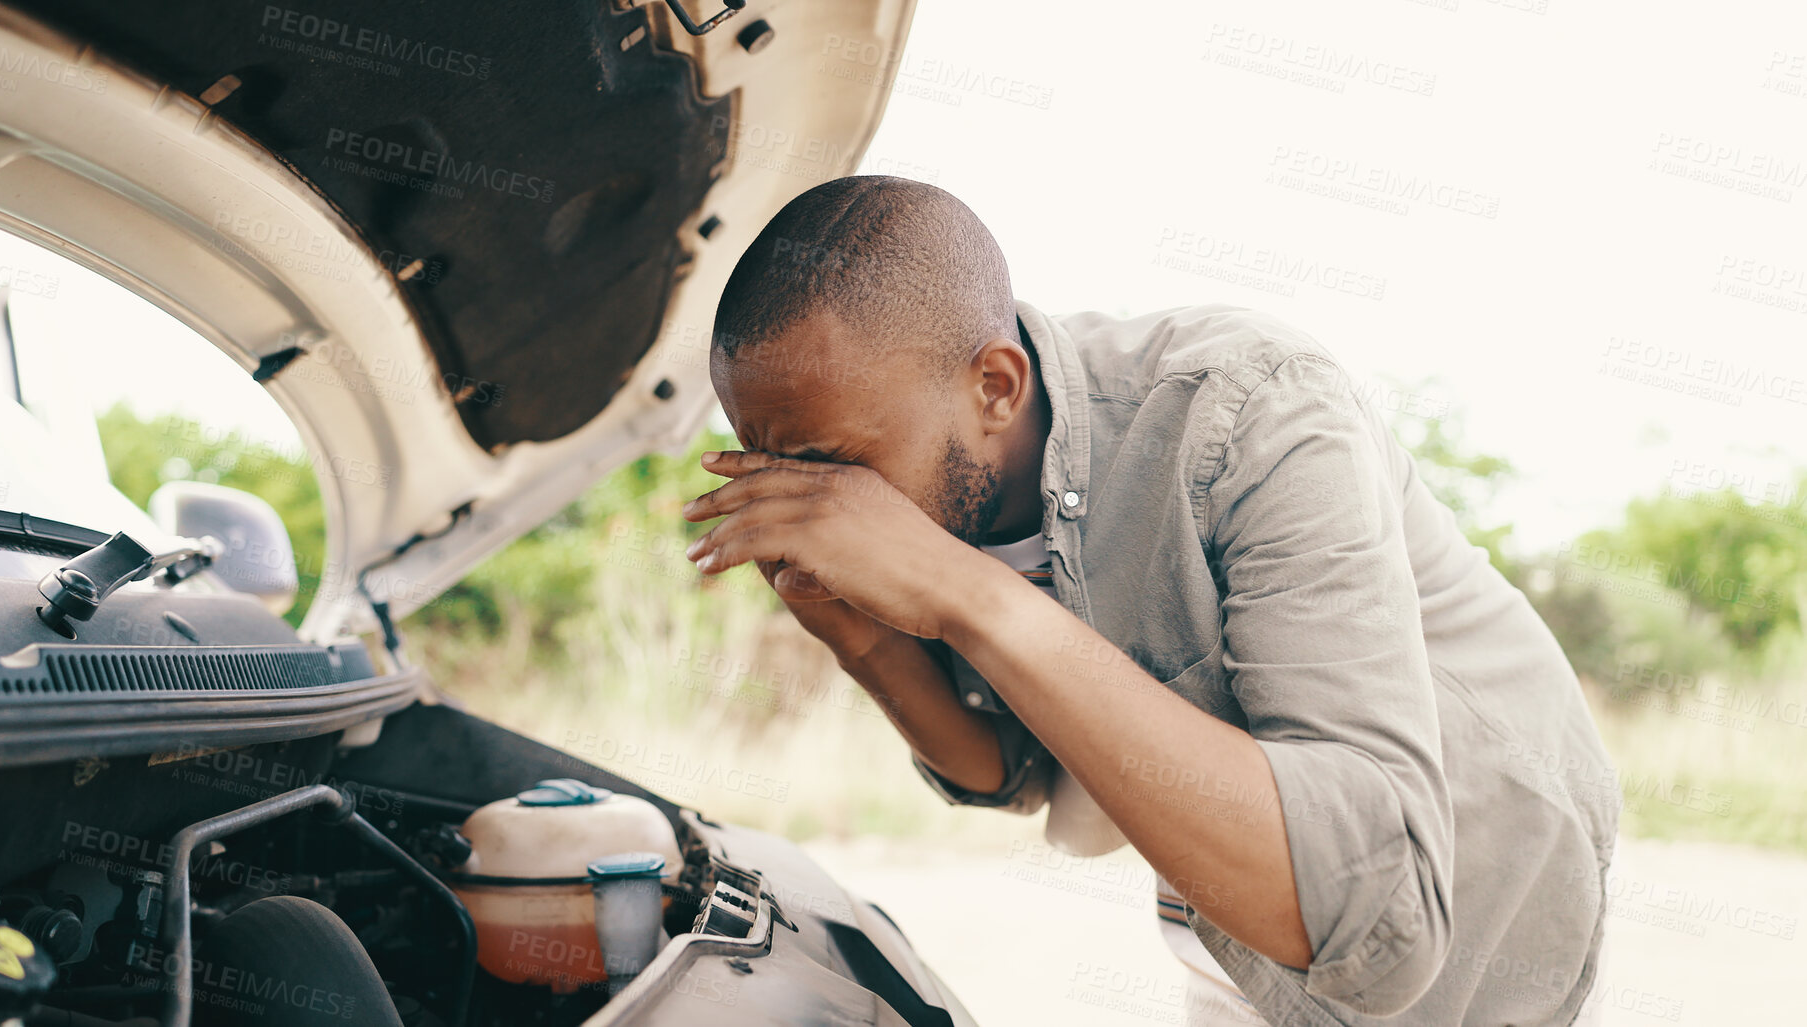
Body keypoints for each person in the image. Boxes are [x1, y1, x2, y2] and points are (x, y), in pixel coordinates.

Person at [681, 176, 1618, 1026]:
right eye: (766, 459)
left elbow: (1377, 926)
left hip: (1474, 882)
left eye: (831, 464)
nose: (813, 503)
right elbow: (1010, 771)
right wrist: (857, 632)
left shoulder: (1250, 410)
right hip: (1231, 929)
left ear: (995, 388)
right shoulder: (938, 476)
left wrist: (958, 591)